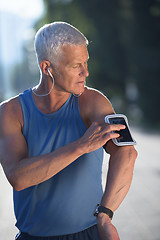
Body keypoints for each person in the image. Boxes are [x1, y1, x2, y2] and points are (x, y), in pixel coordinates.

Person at [0, 22, 137, 240]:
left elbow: (127, 153)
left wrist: (105, 215)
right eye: (76, 66)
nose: (86, 72)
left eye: (86, 62)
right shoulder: (10, 111)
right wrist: (81, 146)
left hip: (89, 233)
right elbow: (18, 177)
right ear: (47, 68)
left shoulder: (94, 101)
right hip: (32, 237)